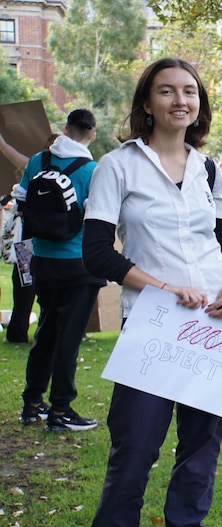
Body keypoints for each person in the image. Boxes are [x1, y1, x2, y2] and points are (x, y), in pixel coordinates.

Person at [71, 58, 222, 527]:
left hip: (213, 324)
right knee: (137, 441)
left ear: (199, 103)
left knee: (201, 445)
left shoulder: (209, 169)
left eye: (189, 91)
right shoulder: (117, 165)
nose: (179, 101)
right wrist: (164, 288)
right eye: (166, 92)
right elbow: (97, 253)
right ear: (147, 103)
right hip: (153, 322)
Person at [14, 110, 104, 430]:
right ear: (91, 134)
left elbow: (20, 201)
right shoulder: (92, 170)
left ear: (64, 130)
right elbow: (97, 217)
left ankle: (32, 403)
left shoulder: (37, 161)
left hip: (43, 259)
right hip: (78, 263)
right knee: (69, 337)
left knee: (47, 332)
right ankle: (61, 409)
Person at [0, 132, 57, 344]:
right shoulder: (50, 166)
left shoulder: (37, 166)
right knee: (26, 286)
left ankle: (19, 332)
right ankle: (19, 331)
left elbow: (20, 162)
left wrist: (4, 144)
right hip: (34, 240)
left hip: (36, 238)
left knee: (29, 286)